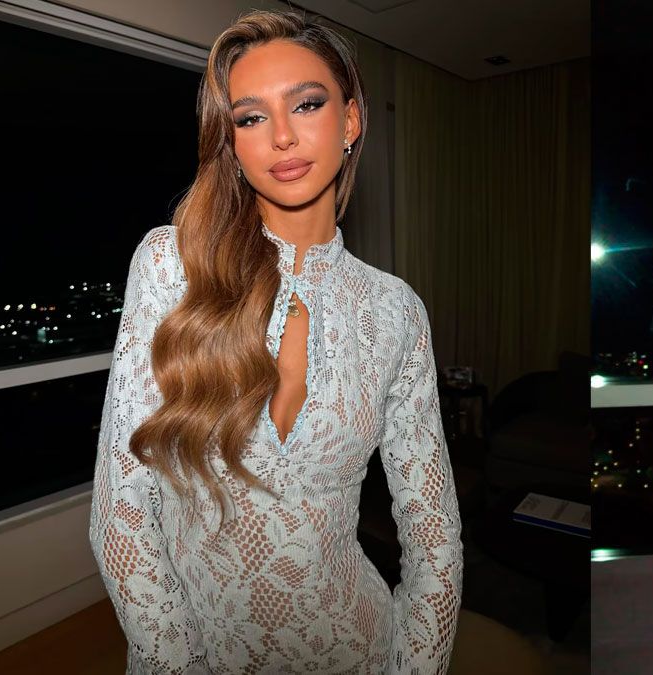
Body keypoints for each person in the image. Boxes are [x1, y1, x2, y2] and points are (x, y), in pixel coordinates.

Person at [88, 10, 463, 674]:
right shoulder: (171, 266)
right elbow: (121, 513)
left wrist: (416, 666)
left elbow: (434, 533)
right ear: (231, 142)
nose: (282, 136)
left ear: (351, 120)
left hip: (359, 648)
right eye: (251, 117)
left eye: (307, 104)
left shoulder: (395, 310)